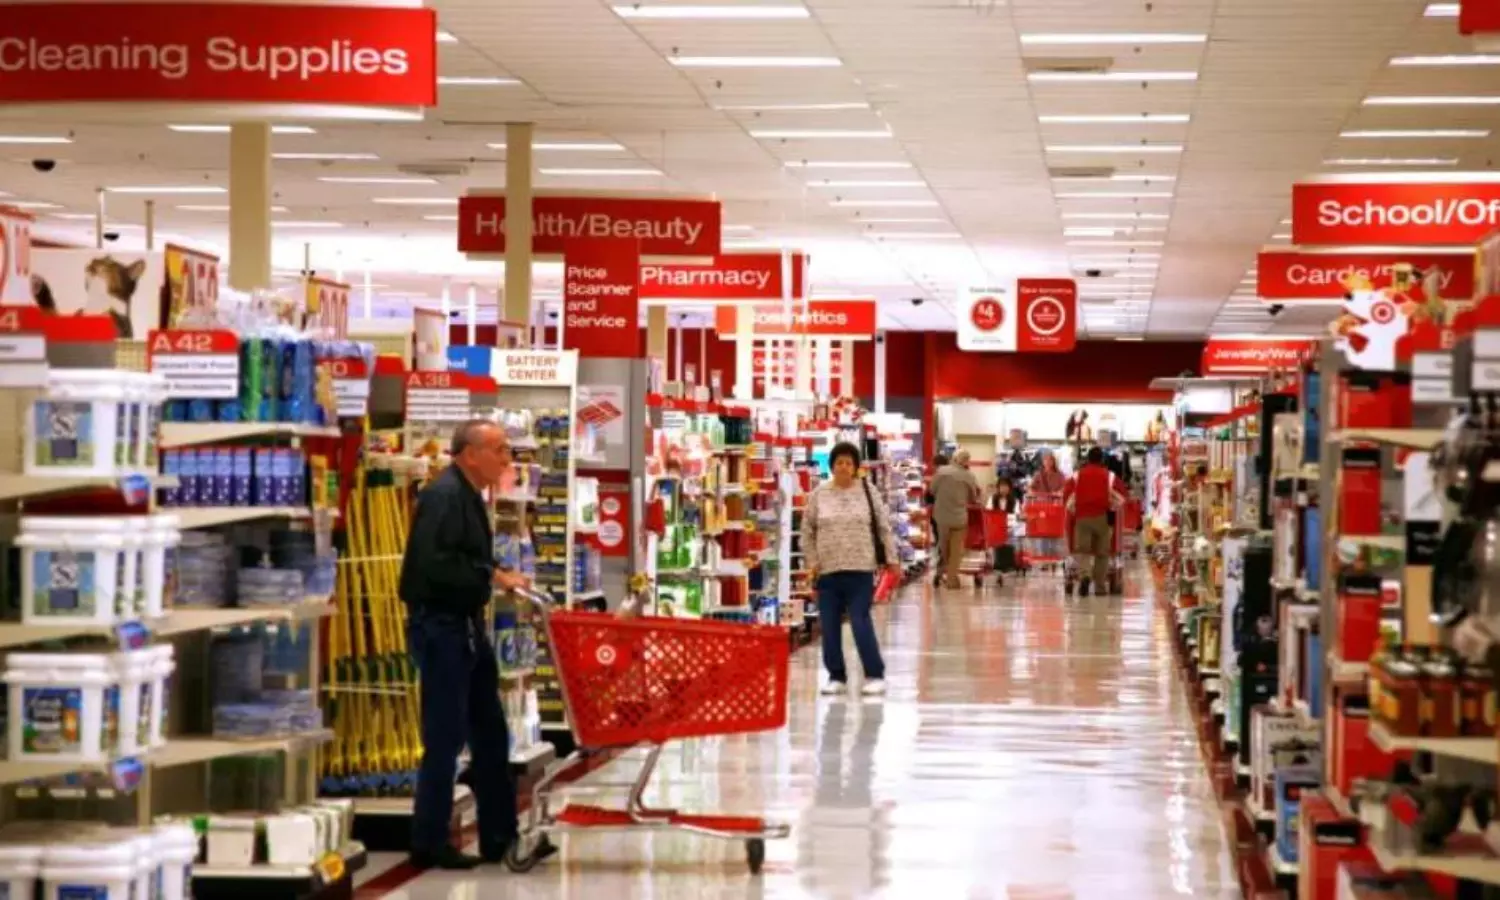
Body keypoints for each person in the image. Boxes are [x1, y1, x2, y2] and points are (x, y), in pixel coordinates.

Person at [399, 419, 533, 870]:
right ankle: (429, 840)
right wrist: (489, 575)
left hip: (466, 626)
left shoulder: (469, 495)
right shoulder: (442, 496)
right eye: (498, 449)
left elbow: (469, 555)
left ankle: (499, 836)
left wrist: (498, 572)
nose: (506, 458)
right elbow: (432, 564)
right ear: (470, 453)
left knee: (490, 732)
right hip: (441, 628)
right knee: (445, 737)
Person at [804, 441, 901, 696]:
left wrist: (892, 559)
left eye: (849, 463)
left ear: (856, 467)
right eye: (839, 463)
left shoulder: (868, 492)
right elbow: (807, 531)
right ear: (832, 466)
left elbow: (883, 528)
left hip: (860, 567)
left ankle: (875, 674)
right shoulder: (818, 495)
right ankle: (836, 676)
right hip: (827, 569)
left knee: (860, 620)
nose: (844, 467)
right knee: (829, 624)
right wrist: (812, 561)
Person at [1068, 446, 1125, 597]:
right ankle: (1099, 587)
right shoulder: (1110, 476)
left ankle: (1085, 576)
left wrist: (1074, 510)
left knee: (1084, 551)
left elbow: (1067, 495)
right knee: (1102, 554)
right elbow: (1122, 495)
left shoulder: (1077, 475)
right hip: (1102, 518)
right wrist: (1112, 505)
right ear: (1102, 460)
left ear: (1087, 459)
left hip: (1082, 517)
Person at [930, 449, 980, 589]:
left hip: (941, 516)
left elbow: (932, 490)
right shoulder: (969, 476)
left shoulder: (941, 471)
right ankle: (952, 579)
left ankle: (947, 574)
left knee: (944, 547)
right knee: (956, 550)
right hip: (959, 518)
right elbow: (973, 498)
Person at [925, 452, 949, 587]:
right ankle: (944, 570)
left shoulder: (936, 479)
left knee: (941, 542)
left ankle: (941, 570)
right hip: (950, 515)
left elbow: (928, 497)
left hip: (938, 515)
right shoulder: (952, 478)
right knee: (945, 543)